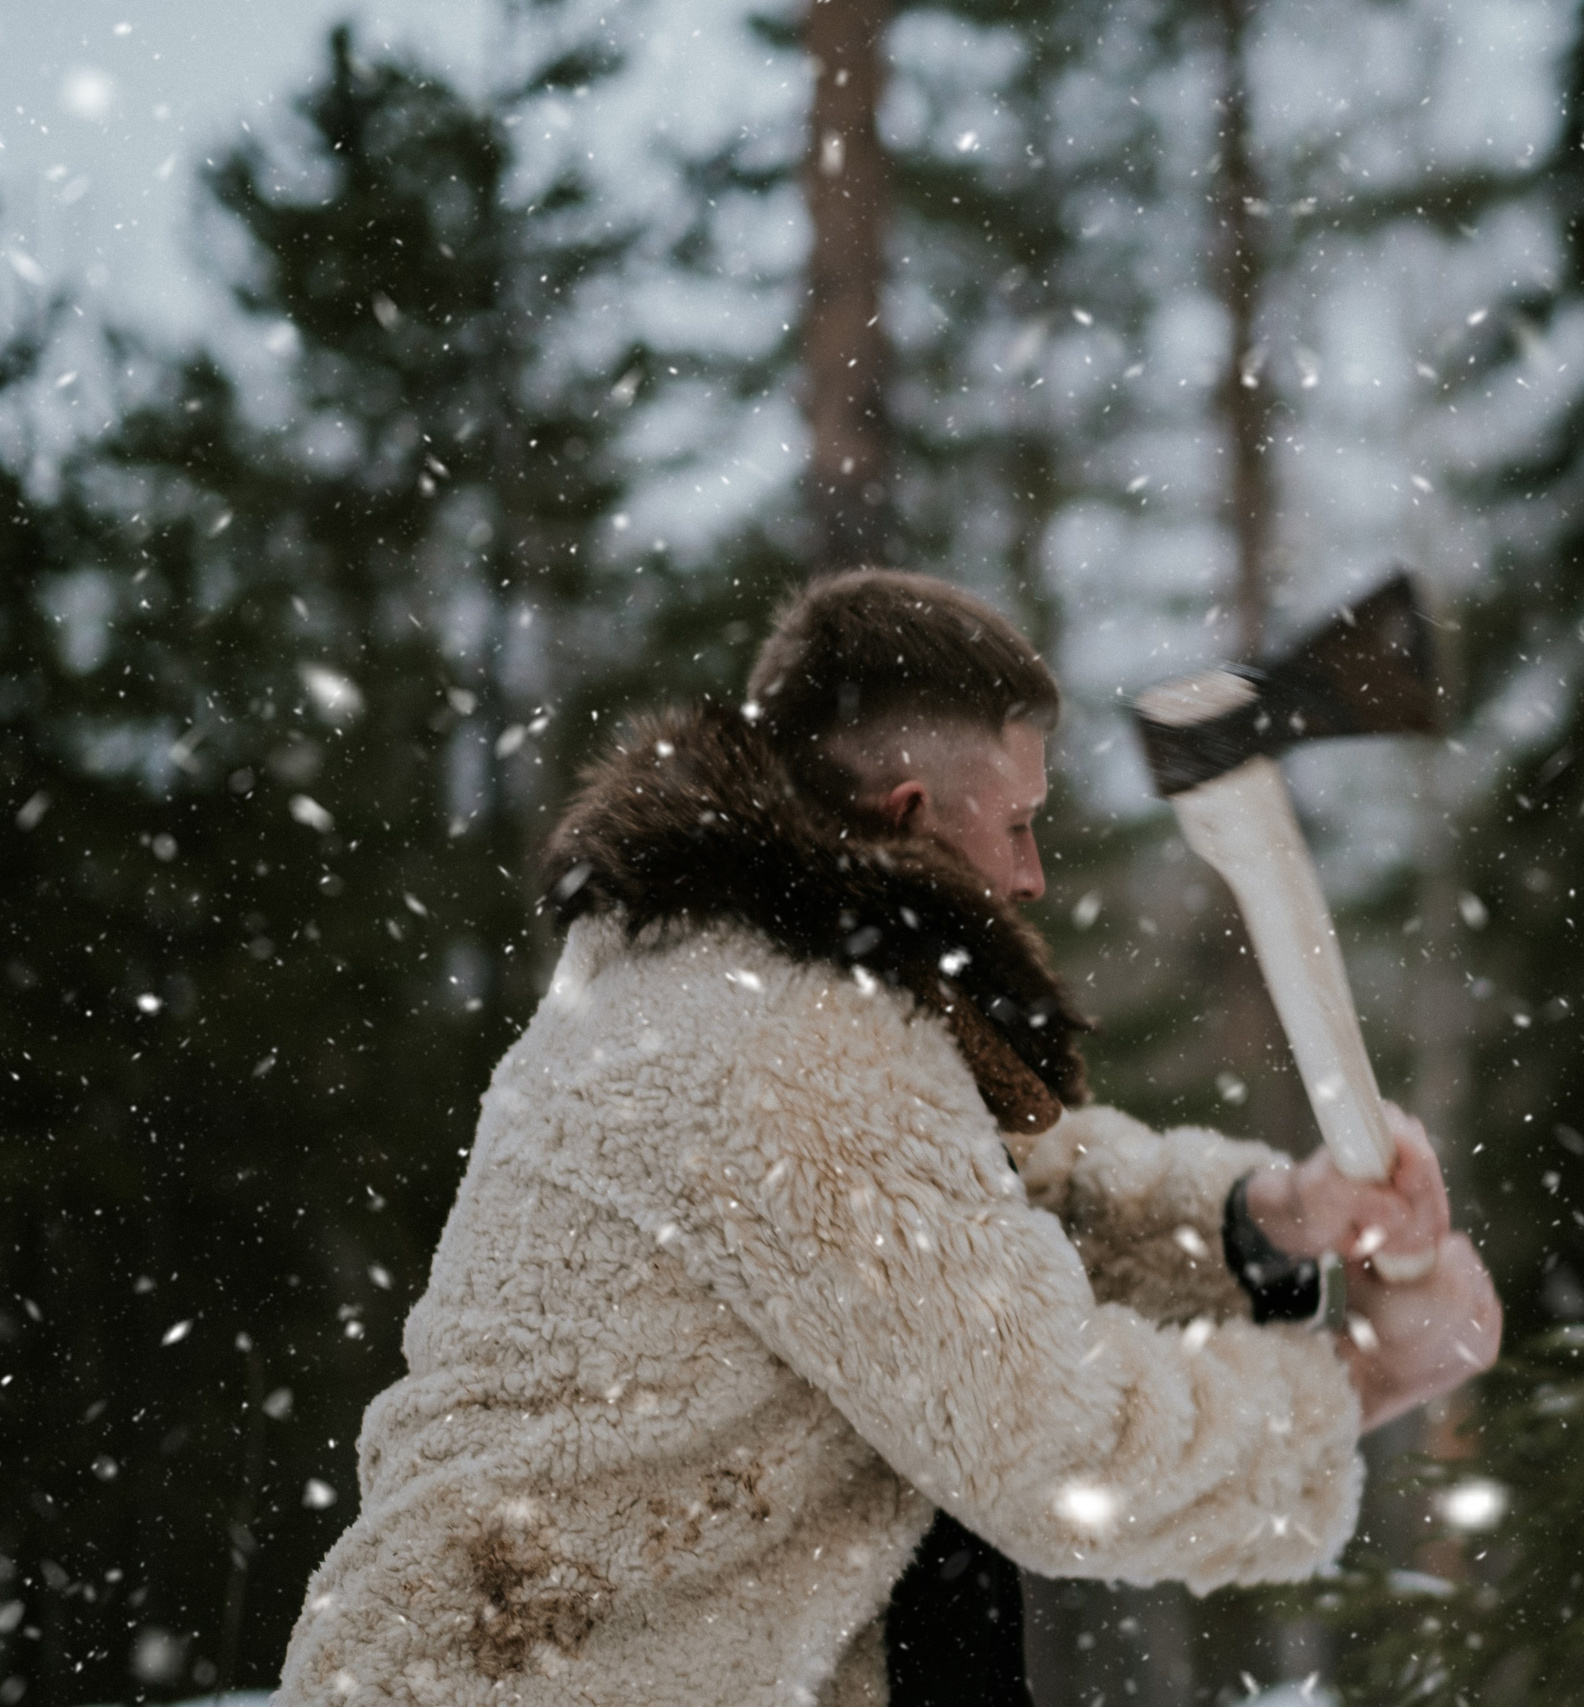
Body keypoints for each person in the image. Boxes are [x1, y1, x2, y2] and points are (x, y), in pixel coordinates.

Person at [273, 570, 1501, 1707]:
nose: (1027, 874)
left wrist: (1272, 1215)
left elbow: (984, 1205)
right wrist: (1364, 1379)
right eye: (1015, 823)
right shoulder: (788, 1044)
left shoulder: (731, 966)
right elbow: (1049, 1444)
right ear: (909, 813)